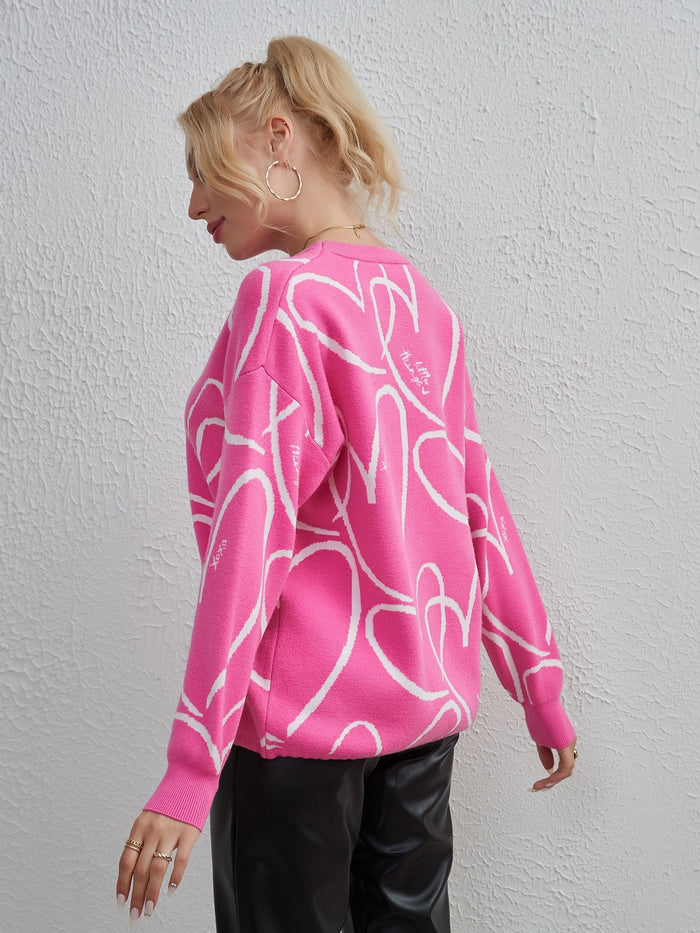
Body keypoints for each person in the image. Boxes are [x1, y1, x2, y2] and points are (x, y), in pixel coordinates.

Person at [116, 35, 577, 932]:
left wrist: (190, 766)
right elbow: (480, 508)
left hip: (299, 735)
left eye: (203, 170)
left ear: (277, 138)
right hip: (423, 728)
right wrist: (539, 684)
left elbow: (251, 540)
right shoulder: (424, 306)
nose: (194, 203)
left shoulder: (288, 300)